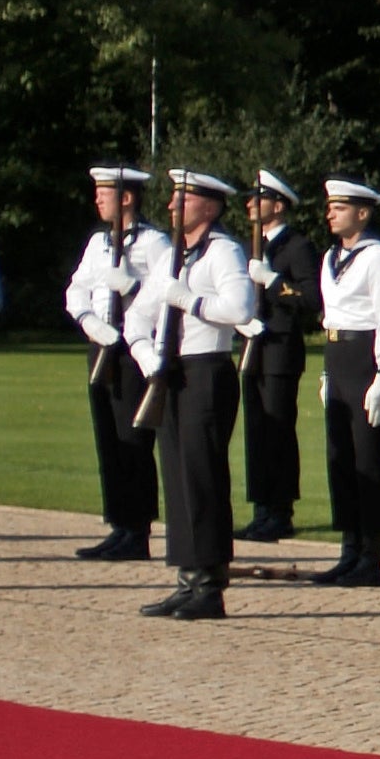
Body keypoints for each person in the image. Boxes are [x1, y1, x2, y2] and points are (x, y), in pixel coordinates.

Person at [130, 171, 260, 621]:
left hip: (207, 368)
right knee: (178, 476)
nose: (171, 207)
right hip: (172, 370)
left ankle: (209, 583)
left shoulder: (224, 252)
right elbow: (137, 317)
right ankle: (186, 575)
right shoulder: (174, 255)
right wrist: (147, 356)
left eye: (181, 200)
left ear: (209, 206)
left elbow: (240, 310)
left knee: (203, 476)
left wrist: (189, 300)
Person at [61, 164, 170, 560]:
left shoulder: (154, 244)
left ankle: (137, 529)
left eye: (105, 193)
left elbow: (167, 297)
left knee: (133, 440)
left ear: (126, 197)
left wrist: (136, 288)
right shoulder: (98, 243)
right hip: (102, 343)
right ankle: (119, 523)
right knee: (108, 437)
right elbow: (77, 289)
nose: (98, 199)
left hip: (133, 350)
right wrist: (90, 322)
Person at [311, 178, 380, 587]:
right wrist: (328, 373)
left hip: (365, 356)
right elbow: (331, 315)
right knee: (340, 459)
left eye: (341, 207)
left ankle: (372, 553)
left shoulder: (378, 257)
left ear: (363, 213)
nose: (331, 213)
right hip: (338, 356)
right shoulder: (331, 256)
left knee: (368, 458)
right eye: (331, 207)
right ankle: (349, 547)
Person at [236, 172, 321, 543]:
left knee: (278, 430)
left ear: (279, 205)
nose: (251, 204)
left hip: (280, 349)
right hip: (252, 347)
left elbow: (311, 298)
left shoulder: (296, 246)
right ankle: (261, 507)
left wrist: (273, 283)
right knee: (257, 428)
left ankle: (281, 510)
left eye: (260, 198)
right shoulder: (250, 245)